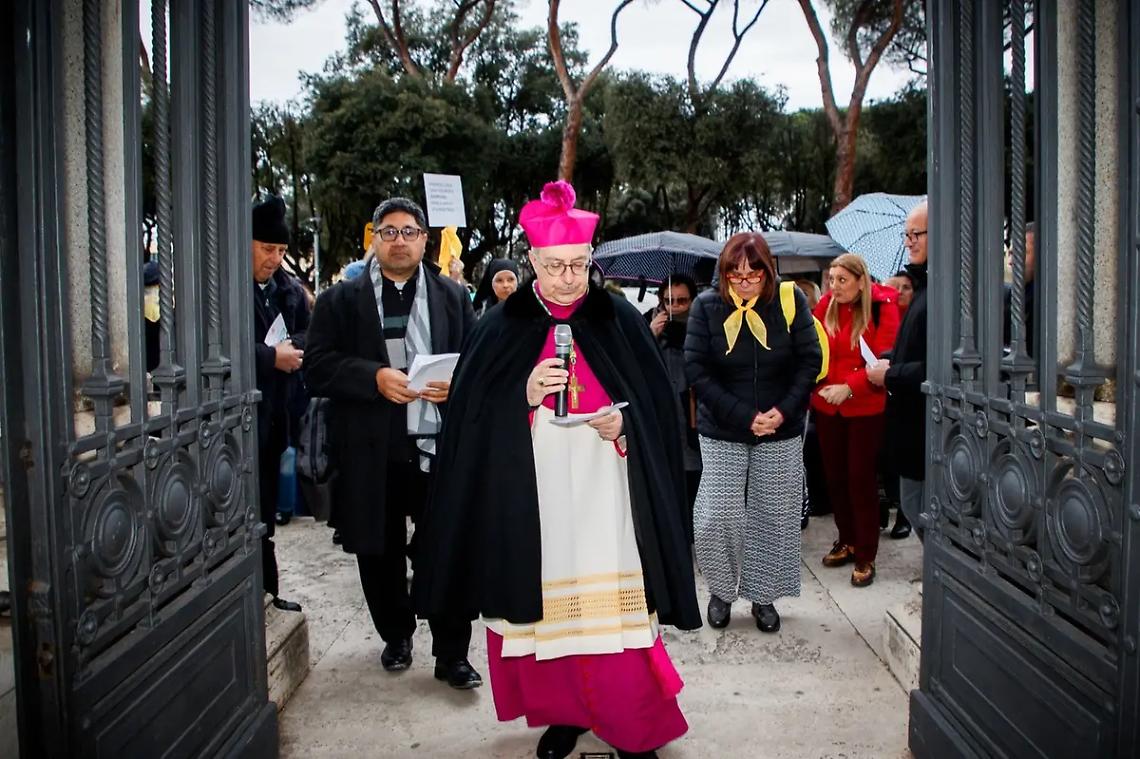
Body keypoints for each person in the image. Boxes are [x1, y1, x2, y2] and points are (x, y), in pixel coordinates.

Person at [413, 180, 700, 759]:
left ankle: (631, 722)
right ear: (533, 261)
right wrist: (519, 393)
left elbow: (657, 411)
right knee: (545, 610)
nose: (569, 277)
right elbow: (470, 418)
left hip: (606, 484)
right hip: (532, 488)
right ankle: (566, 716)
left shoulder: (616, 317)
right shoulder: (500, 325)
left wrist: (627, 425)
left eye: (578, 264)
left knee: (609, 611)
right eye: (555, 265)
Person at [304, 197, 482, 689]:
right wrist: (373, 376)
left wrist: (458, 384)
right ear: (374, 238)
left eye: (409, 232)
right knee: (377, 551)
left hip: (435, 447)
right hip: (370, 451)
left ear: (425, 240)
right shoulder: (341, 299)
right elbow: (316, 365)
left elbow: (477, 360)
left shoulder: (452, 296)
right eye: (389, 232)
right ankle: (397, 634)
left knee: (446, 547)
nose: (399, 240)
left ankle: (452, 654)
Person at [685, 233, 822, 633]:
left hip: (781, 425)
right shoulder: (706, 306)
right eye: (735, 273)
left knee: (774, 515)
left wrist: (781, 411)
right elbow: (697, 370)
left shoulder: (790, 301)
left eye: (753, 273)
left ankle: (764, 596)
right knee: (718, 514)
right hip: (724, 426)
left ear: (768, 271)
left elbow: (809, 359)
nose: (744, 281)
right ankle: (721, 590)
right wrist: (746, 416)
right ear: (723, 272)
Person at [812, 254, 901, 587]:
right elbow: (813, 349)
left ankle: (866, 553)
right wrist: (821, 389)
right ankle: (846, 539)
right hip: (826, 406)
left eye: (842, 280)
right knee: (835, 479)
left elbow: (885, 360)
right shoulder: (824, 306)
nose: (834, 286)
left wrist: (849, 387)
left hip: (865, 407)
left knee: (860, 480)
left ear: (861, 280)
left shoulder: (883, 308)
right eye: (831, 279)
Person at [250, 196, 309, 613]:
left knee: (266, 511)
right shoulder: (223, 290)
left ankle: (267, 594)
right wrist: (271, 358)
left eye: (282, 251)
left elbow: (310, 335)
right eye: (267, 249)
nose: (275, 259)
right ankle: (244, 595)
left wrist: (296, 351)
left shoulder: (289, 290)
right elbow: (217, 352)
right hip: (236, 422)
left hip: (275, 419)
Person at [868, 201, 929, 539]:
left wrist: (889, 374)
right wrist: (891, 360)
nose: (909, 241)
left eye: (916, 234)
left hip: (928, 431)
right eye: (906, 234)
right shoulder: (924, 288)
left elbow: (940, 366)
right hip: (910, 431)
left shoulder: (943, 292)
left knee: (922, 514)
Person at [645, 274, 702, 535]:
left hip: (692, 409)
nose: (675, 306)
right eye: (669, 300)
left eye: (682, 301)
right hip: (660, 411)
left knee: (694, 471)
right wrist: (650, 336)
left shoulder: (702, 323)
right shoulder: (648, 321)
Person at [1003, 221, 1036, 357]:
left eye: (1022, 252)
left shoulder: (1045, 303)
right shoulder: (1011, 297)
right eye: (1010, 253)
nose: (1011, 261)